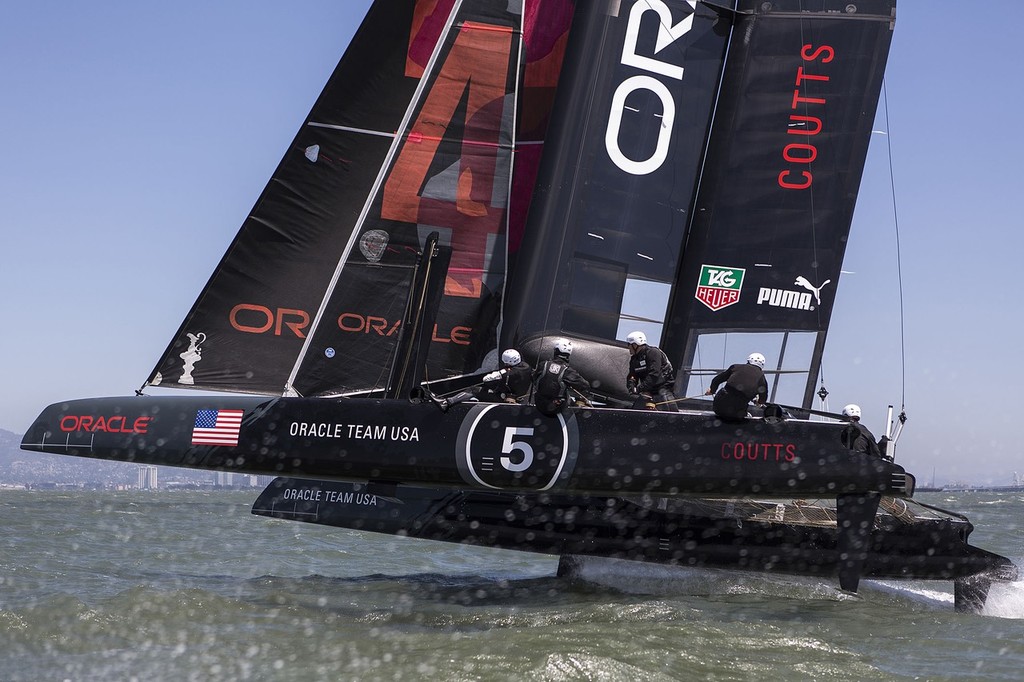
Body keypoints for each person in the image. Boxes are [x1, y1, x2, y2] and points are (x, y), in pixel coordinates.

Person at [532, 338, 591, 416]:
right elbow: (585, 386)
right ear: (568, 354)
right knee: (576, 400)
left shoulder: (543, 365)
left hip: (539, 404)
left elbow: (533, 378)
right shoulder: (567, 371)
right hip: (556, 408)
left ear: (555, 351)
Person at [705, 352, 769, 421]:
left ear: (748, 361)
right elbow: (763, 398)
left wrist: (712, 391)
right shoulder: (762, 379)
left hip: (719, 406)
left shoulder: (735, 367)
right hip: (737, 412)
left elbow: (716, 380)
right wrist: (758, 402)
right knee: (745, 415)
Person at [625, 331, 678, 412]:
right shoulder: (634, 359)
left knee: (667, 414)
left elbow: (654, 374)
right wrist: (631, 385)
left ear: (635, 345)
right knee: (635, 411)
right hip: (647, 392)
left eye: (629, 345)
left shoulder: (653, 353)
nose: (628, 347)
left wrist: (639, 388)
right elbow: (632, 375)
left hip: (663, 391)